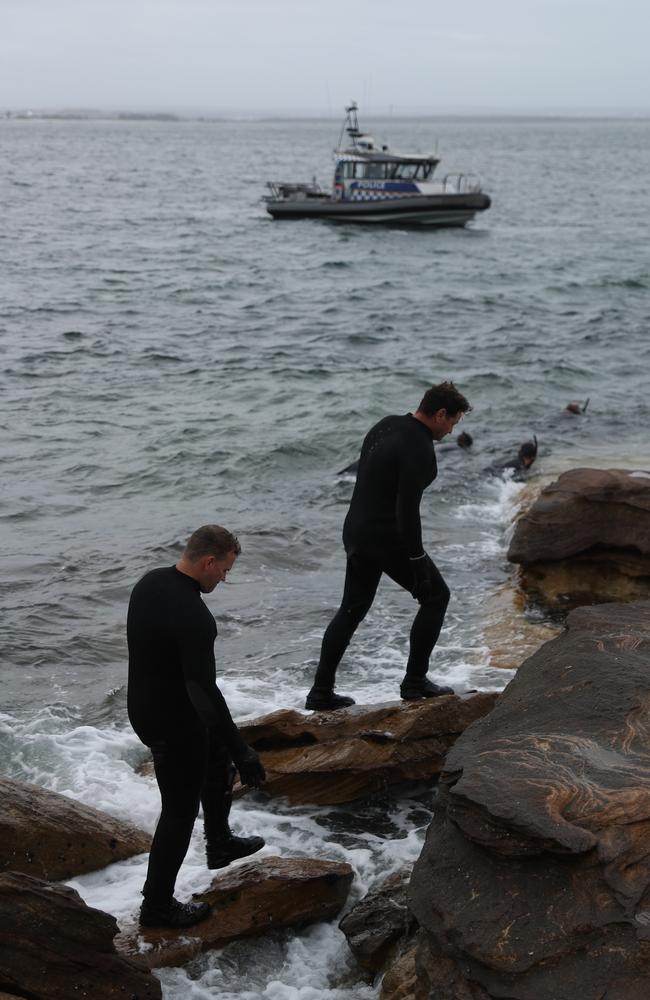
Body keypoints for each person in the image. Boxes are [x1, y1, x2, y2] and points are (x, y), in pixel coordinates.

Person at [127, 524, 266, 929]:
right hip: (172, 721)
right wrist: (245, 751)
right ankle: (156, 907)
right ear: (208, 562)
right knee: (179, 811)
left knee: (214, 751)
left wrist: (228, 746)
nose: (224, 579)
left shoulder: (150, 583)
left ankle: (219, 842)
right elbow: (202, 692)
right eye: (224, 571)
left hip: (144, 707)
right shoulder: (194, 615)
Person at [306, 381, 472, 711]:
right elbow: (406, 510)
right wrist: (417, 557)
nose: (452, 431)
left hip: (355, 529)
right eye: (453, 422)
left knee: (351, 608)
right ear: (440, 414)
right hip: (384, 534)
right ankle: (414, 682)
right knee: (436, 596)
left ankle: (320, 693)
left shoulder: (385, 425)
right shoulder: (419, 446)